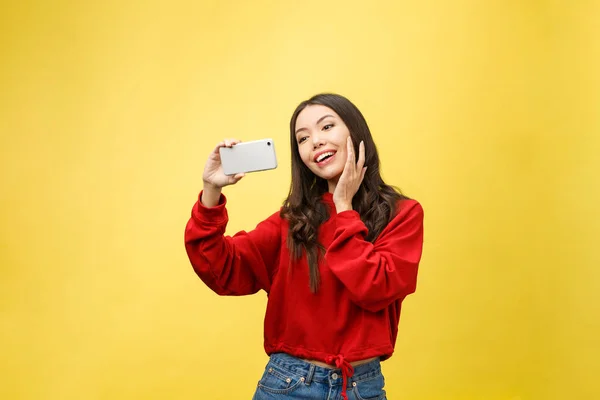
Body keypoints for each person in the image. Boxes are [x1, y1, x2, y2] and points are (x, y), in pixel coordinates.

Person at [184, 93, 424, 400]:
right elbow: (221, 269)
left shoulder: (403, 214)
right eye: (303, 138)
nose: (316, 142)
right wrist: (211, 190)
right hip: (288, 385)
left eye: (326, 127)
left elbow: (376, 286)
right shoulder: (293, 220)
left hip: (360, 387)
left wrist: (344, 208)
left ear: (354, 130)